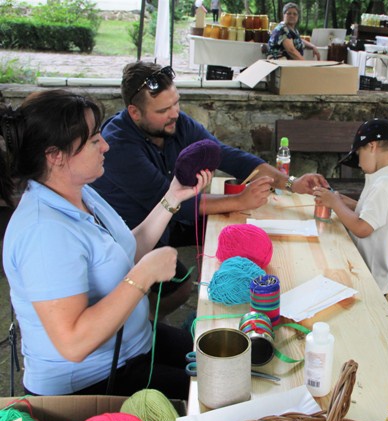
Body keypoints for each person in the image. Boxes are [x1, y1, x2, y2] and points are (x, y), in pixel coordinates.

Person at [0, 89, 212, 398]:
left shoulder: (79, 192)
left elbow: (124, 250)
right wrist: (143, 276)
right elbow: (73, 343)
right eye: (94, 140)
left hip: (135, 344)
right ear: (55, 155)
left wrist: (172, 197)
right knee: (220, 393)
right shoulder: (44, 233)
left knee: (229, 360)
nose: (106, 145)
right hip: (93, 380)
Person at [92, 61, 327, 319]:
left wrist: (291, 183)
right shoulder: (118, 145)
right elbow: (177, 204)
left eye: (176, 103)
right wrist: (240, 200)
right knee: (179, 288)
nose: (175, 114)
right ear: (135, 113)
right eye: (163, 110)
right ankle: (141, 326)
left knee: (226, 233)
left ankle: (162, 317)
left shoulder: (176, 123)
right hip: (132, 236)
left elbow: (226, 156)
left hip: (167, 218)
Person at [313, 119, 388, 295]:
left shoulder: (384, 184)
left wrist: (335, 203)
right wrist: (341, 200)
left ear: (371, 146)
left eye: (359, 155)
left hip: (372, 278)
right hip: (371, 271)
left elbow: (362, 228)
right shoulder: (387, 179)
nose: (360, 165)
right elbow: (373, 212)